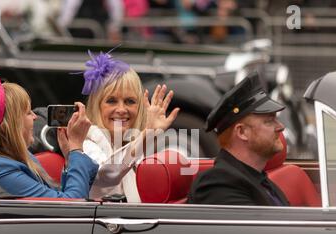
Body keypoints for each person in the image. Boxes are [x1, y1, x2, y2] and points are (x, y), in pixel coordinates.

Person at [0, 76, 99, 198]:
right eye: (28, 112)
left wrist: (70, 156)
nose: (35, 117)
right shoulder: (0, 169)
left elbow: (58, 197)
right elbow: (73, 206)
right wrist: (76, 148)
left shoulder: (16, 157)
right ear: (11, 125)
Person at [80, 50, 179, 202]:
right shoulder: (86, 147)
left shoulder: (136, 144)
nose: (121, 109)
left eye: (130, 101)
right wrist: (148, 134)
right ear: (96, 105)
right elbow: (107, 175)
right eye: (111, 101)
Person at [187, 72, 290, 206]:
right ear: (242, 132)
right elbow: (259, 227)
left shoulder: (261, 180)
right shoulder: (218, 184)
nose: (280, 127)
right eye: (269, 121)